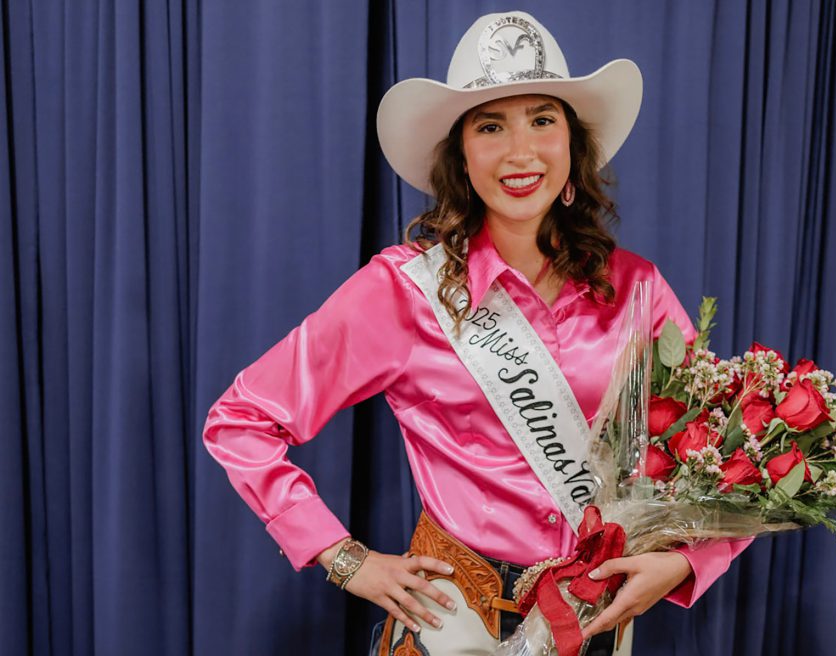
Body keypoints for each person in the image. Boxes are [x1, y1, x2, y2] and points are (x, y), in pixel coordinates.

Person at [203, 10, 750, 656]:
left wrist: (686, 562)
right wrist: (346, 559)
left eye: (542, 120)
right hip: (451, 624)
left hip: (592, 625)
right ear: (461, 155)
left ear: (573, 145)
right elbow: (239, 421)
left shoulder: (638, 290)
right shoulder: (406, 291)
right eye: (491, 126)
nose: (521, 151)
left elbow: (726, 452)